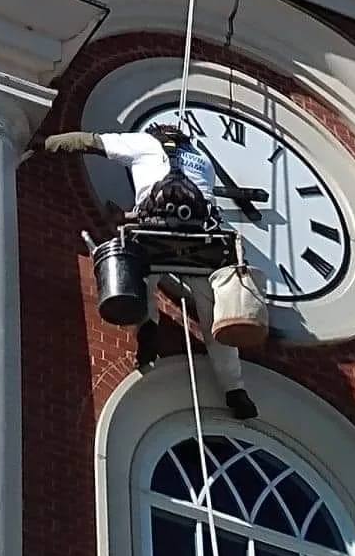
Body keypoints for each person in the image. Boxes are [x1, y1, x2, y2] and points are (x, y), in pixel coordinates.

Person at [36, 122, 259, 419]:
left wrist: (45, 142)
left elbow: (89, 142)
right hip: (203, 241)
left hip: (153, 232)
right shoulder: (203, 161)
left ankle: (147, 327)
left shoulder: (144, 144)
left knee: (139, 274)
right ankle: (235, 389)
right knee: (215, 317)